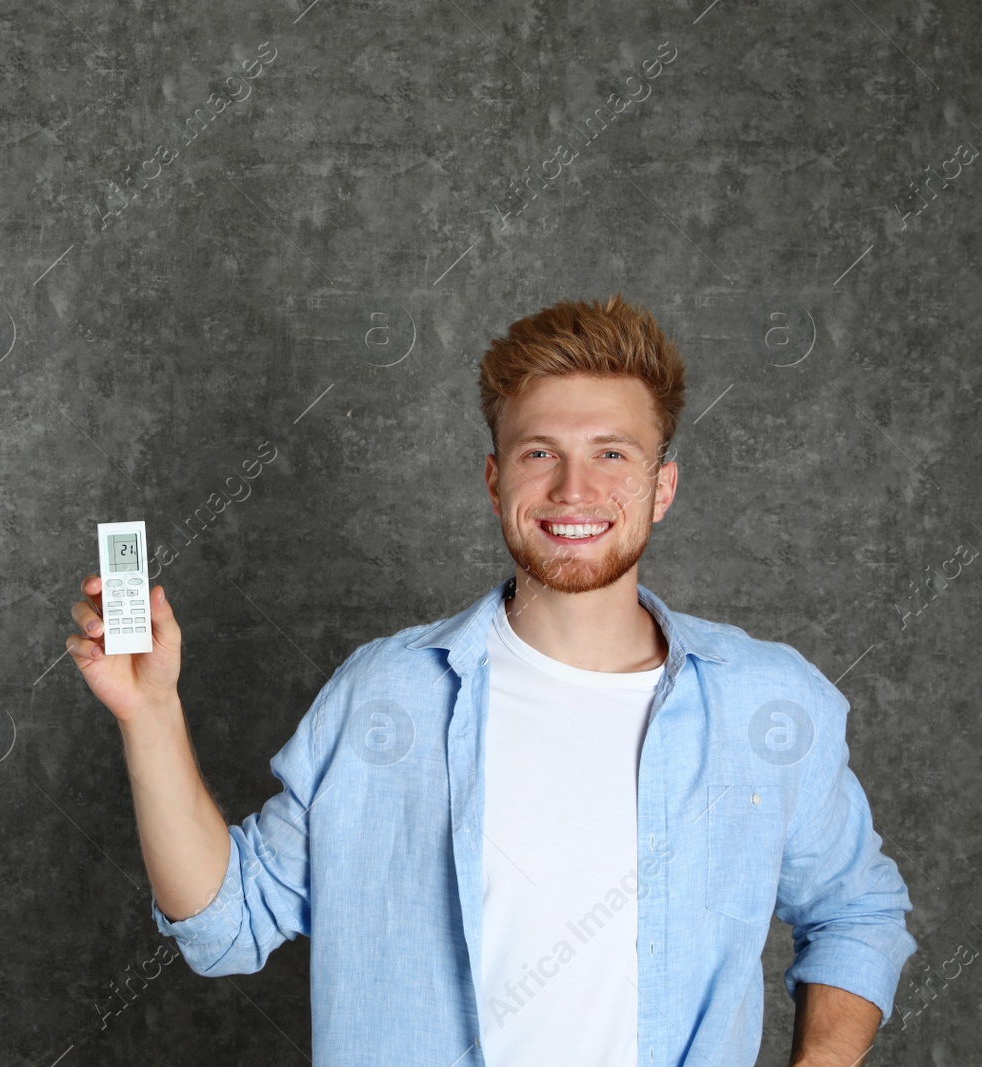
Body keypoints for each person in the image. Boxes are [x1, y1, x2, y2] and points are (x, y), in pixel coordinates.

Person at [65, 292, 916, 1067]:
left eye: (612, 453)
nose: (574, 488)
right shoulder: (384, 695)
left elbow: (858, 913)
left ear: (662, 488)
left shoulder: (770, 703)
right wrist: (149, 713)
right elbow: (227, 924)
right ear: (494, 478)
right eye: (539, 451)